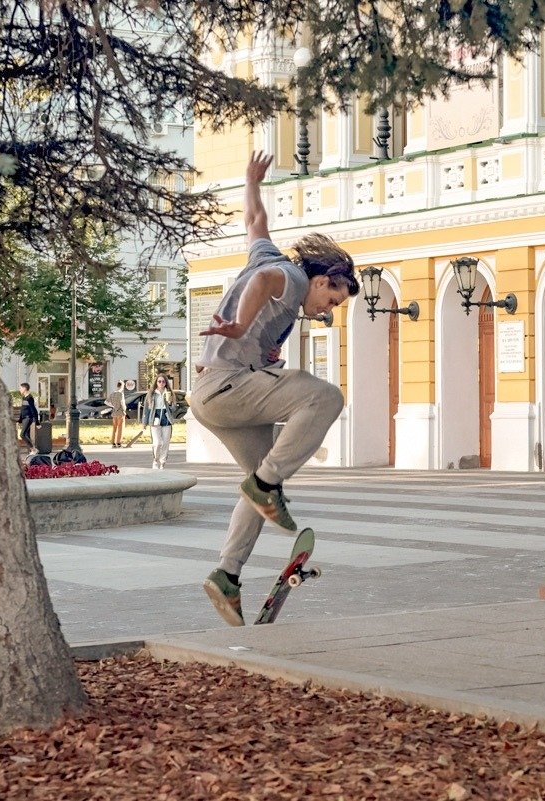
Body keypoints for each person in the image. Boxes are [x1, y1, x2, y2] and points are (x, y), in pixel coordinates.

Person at [192, 150, 358, 626]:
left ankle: (227, 574)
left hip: (211, 398)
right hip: (230, 386)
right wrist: (241, 324)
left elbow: (254, 220)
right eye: (332, 299)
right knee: (325, 396)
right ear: (322, 279)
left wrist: (250, 181)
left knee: (261, 485)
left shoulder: (267, 253)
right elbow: (265, 282)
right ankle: (265, 485)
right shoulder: (288, 276)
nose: (326, 311)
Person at [141, 374, 175, 469]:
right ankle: (155, 460)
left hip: (166, 419)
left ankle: (163, 462)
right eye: (159, 381)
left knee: (165, 443)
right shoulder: (151, 394)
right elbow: (146, 409)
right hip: (154, 418)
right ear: (156, 382)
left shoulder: (169, 393)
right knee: (157, 443)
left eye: (163, 381)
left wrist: (170, 403)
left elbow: (174, 409)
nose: (161, 383)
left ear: (166, 383)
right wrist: (144, 422)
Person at [18, 383, 39, 453]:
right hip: (24, 418)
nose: (20, 389)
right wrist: (20, 420)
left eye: (20, 388)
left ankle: (34, 449)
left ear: (24, 388)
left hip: (28, 418)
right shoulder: (24, 397)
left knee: (22, 435)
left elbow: (34, 410)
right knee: (27, 435)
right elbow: (23, 410)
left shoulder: (30, 398)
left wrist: (37, 422)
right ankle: (31, 451)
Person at [108, 380, 127, 448]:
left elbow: (106, 402)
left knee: (114, 428)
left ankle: (113, 442)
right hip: (120, 412)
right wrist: (124, 409)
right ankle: (118, 442)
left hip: (114, 413)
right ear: (122, 386)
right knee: (120, 428)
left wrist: (113, 406)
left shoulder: (112, 393)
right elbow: (122, 403)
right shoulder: (121, 394)